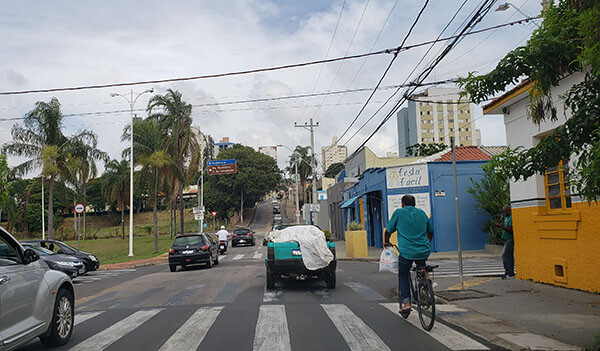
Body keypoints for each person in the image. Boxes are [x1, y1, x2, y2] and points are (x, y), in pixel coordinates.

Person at [383, 194, 433, 314]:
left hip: (406, 252)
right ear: (415, 204)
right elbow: (431, 231)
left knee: (403, 275)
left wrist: (386, 242)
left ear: (402, 204)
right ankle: (426, 281)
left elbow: (388, 231)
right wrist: (426, 242)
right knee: (421, 264)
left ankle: (406, 303)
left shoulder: (399, 213)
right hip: (423, 250)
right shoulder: (421, 213)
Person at [495, 205, 514, 279]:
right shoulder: (507, 218)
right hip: (507, 239)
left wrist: (500, 226)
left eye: (504, 211)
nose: (503, 213)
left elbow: (510, 229)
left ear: (508, 210)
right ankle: (510, 272)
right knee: (509, 256)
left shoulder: (511, 218)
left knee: (505, 255)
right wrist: (503, 225)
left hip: (510, 239)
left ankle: (508, 273)